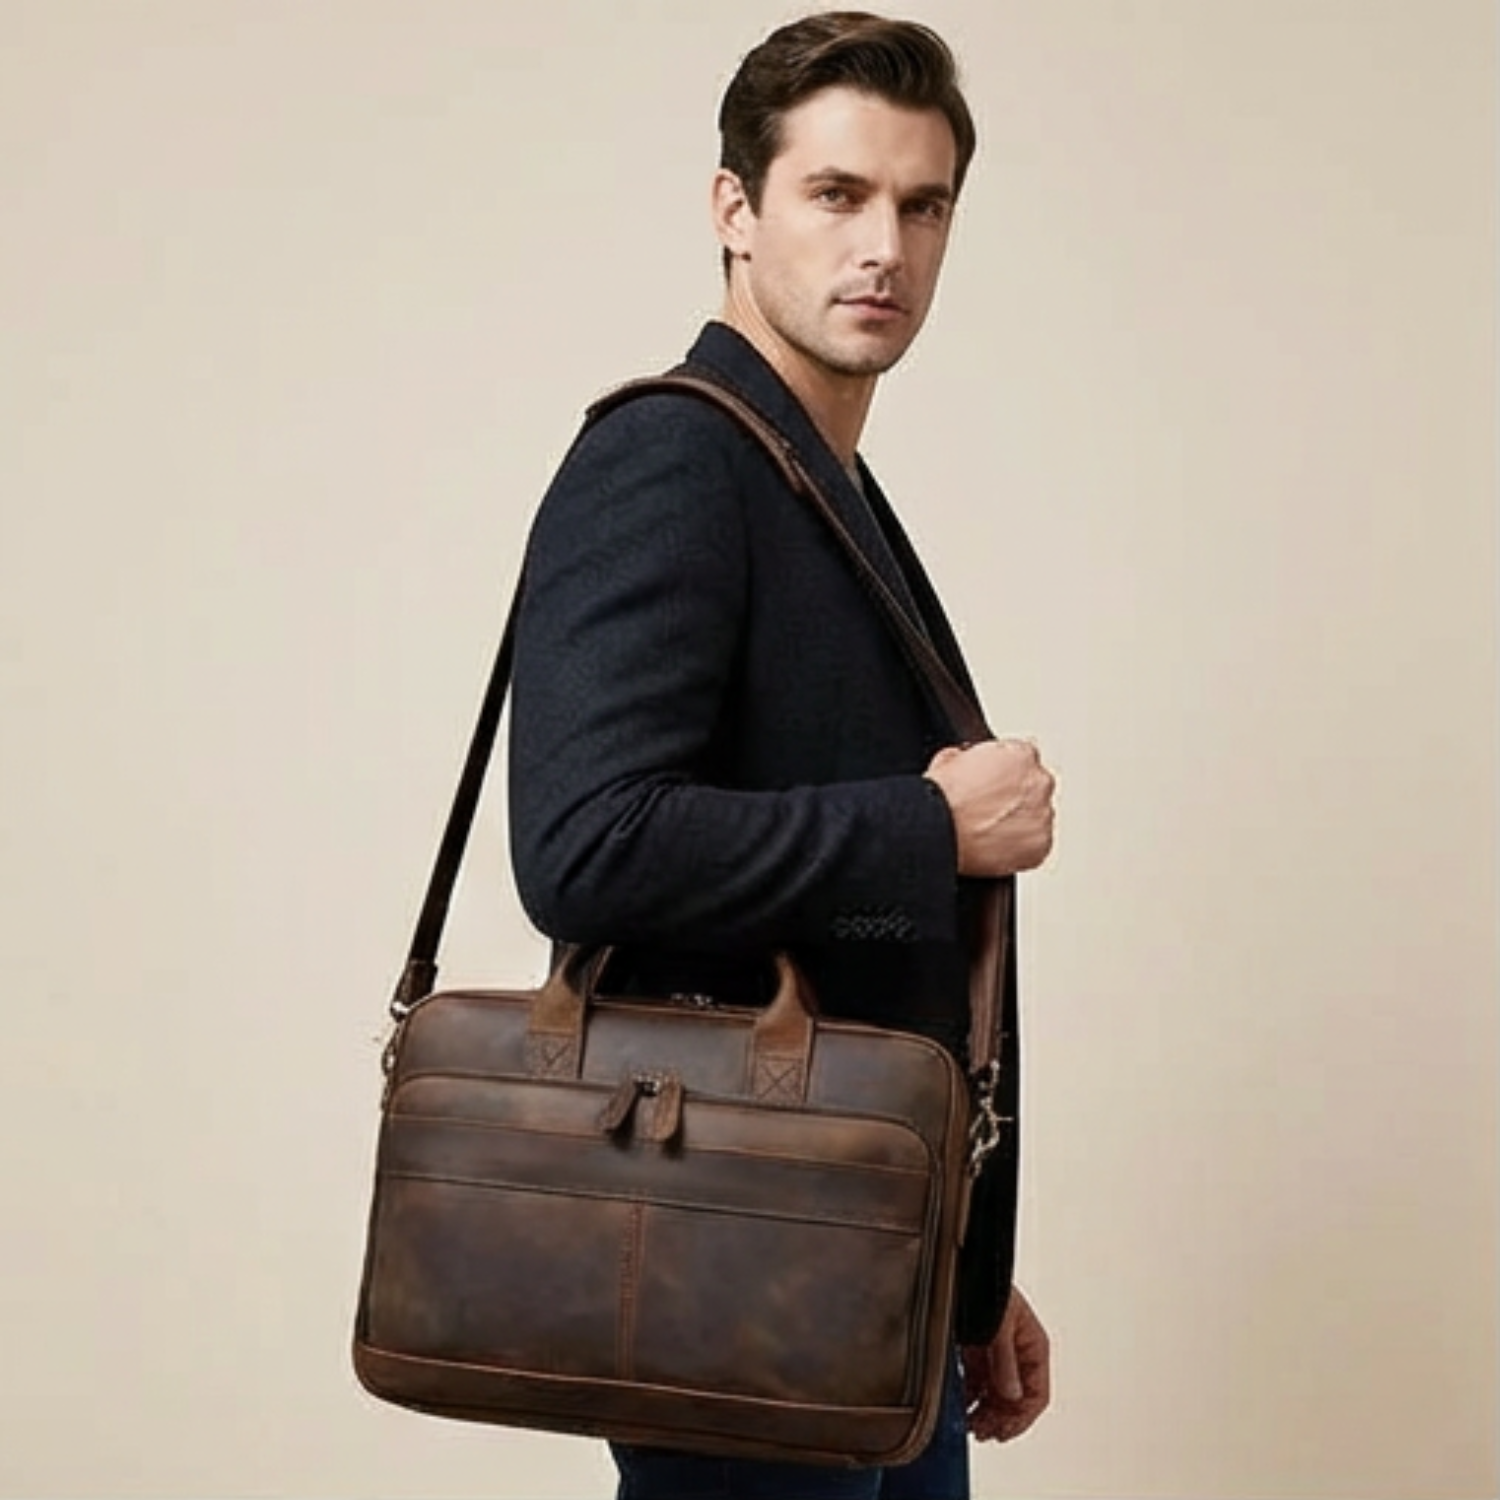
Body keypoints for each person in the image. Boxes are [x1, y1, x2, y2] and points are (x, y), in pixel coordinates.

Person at [507, 12, 1056, 1498]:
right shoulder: (674, 457)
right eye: (836, 195)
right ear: (735, 211)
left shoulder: (825, 487)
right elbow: (585, 844)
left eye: (922, 204)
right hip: (731, 1280)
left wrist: (962, 1262)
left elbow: (872, 967)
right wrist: (926, 829)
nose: (885, 244)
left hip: (866, 1282)